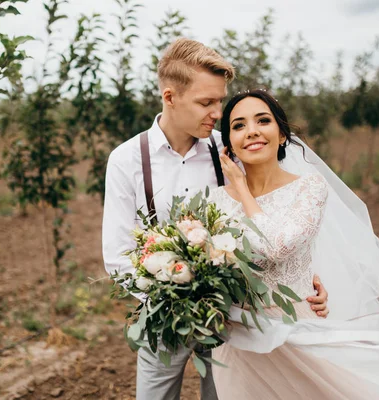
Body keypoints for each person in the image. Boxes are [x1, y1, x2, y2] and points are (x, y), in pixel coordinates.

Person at [102, 39, 329, 400]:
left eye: (219, 101)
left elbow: (278, 214)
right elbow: (117, 255)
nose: (216, 112)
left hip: (232, 318)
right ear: (170, 97)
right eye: (206, 102)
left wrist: (304, 283)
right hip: (163, 319)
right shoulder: (127, 160)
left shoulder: (231, 148)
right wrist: (173, 298)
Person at [209, 89, 379, 399]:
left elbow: (277, 247)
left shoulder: (308, 187)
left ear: (281, 135)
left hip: (298, 331)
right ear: (229, 143)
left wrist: (241, 188)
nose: (251, 130)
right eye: (238, 125)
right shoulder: (215, 202)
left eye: (262, 120)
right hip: (239, 342)